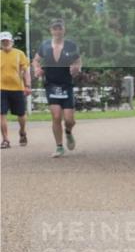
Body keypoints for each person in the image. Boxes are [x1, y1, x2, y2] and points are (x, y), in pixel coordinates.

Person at [32, 19, 81, 158]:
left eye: (60, 28)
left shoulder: (71, 46)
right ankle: (59, 146)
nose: (57, 31)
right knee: (56, 116)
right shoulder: (45, 45)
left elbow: (78, 61)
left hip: (67, 84)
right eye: (55, 28)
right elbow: (36, 60)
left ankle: (68, 132)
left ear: (64, 30)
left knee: (70, 120)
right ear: (51, 30)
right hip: (51, 85)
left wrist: (76, 68)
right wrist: (37, 69)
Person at [0, 31, 31, 149]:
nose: (5, 43)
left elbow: (26, 71)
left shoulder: (19, 54)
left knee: (21, 115)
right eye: (3, 41)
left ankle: (22, 132)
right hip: (1, 89)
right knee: (1, 114)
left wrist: (27, 85)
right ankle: (5, 140)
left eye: (7, 41)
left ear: (12, 41)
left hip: (17, 88)